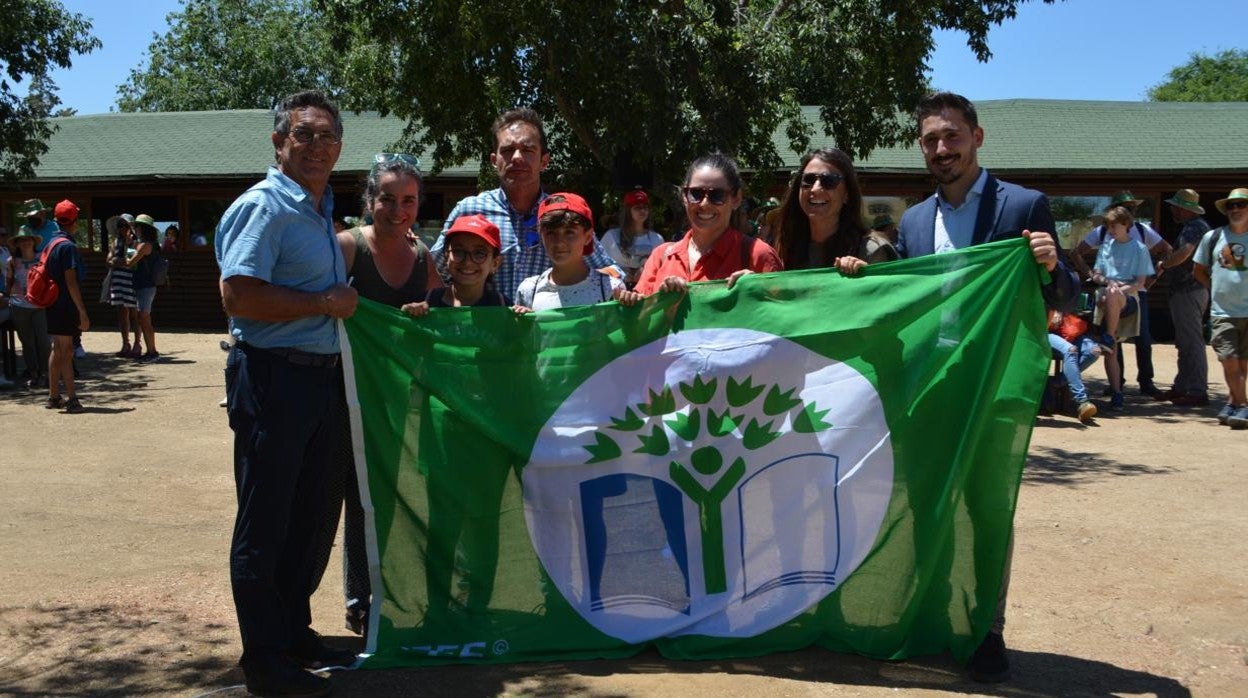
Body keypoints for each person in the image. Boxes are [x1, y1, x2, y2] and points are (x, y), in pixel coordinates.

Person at [895, 92, 1079, 683]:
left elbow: (1066, 299)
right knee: (928, 503)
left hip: (994, 384)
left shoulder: (1024, 205)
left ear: (977, 137)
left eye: (951, 136)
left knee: (987, 508)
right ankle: (937, 618)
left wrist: (1054, 265)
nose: (941, 149)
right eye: (930, 140)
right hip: (933, 383)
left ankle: (985, 632)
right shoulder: (914, 220)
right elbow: (904, 302)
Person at [215, 89, 359, 697]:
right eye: (304, 134)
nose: (317, 145)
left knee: (310, 515)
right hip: (274, 377)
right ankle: (263, 656)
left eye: (327, 135)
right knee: (267, 518)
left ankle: (293, 629)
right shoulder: (266, 207)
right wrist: (323, 303)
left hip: (317, 380)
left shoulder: (317, 208)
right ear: (279, 143)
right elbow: (238, 296)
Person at [325, 152, 442, 635]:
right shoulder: (347, 247)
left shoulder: (423, 256)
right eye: (388, 199)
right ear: (370, 200)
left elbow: (444, 314)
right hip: (344, 397)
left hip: (402, 402)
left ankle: (392, 587)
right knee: (352, 497)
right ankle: (358, 596)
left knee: (393, 496)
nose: (398, 210)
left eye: (409, 201)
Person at [431, 107, 620, 302]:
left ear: (544, 161)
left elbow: (612, 271)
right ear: (494, 161)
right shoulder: (469, 211)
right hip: (485, 329)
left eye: (528, 150)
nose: (517, 157)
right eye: (507, 150)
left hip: (543, 330)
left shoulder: (561, 215)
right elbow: (433, 270)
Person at [633, 153, 783, 295]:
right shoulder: (662, 256)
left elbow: (781, 315)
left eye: (717, 195)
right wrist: (655, 300)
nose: (704, 203)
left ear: (736, 199)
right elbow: (639, 318)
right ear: (684, 197)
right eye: (695, 194)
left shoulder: (758, 255)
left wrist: (756, 291)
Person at [1069, 191, 1172, 398]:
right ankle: (1118, 383)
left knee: (1143, 338)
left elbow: (1166, 250)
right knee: (1114, 337)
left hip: (1135, 293)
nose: (1129, 209)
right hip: (1110, 289)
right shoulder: (1102, 233)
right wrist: (1091, 275)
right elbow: (1076, 252)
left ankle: (1146, 381)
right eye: (1125, 206)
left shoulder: (1143, 232)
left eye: (1132, 207)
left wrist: (1154, 277)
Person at [772, 148, 897, 274]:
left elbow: (888, 291)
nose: (815, 189)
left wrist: (868, 275)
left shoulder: (872, 250)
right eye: (808, 180)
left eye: (829, 181)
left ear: (847, 193)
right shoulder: (784, 245)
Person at [515, 192, 637, 311]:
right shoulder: (529, 290)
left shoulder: (609, 288)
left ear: (588, 237)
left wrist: (634, 310)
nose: (559, 242)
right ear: (540, 236)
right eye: (550, 233)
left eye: (569, 233)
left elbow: (621, 330)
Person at [1194, 187, 1248, 430]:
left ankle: (1231, 404)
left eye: (1240, 204)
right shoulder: (1213, 237)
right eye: (1231, 206)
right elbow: (1198, 270)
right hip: (1222, 312)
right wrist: (1216, 288)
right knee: (1229, 360)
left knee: (1243, 363)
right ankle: (1244, 405)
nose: (1235, 209)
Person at [1090, 206, 1154, 411]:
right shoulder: (1105, 247)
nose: (1110, 230)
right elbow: (1096, 275)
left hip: (1128, 298)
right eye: (1108, 226)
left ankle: (1107, 335)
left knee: (1113, 294)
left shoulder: (1139, 248)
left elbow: (1140, 282)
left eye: (1114, 225)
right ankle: (1117, 392)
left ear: (1126, 224)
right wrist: (1107, 281)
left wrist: (1119, 289)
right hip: (1107, 296)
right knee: (1112, 350)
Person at [1156, 189, 1213, 406]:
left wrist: (1164, 264)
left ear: (1184, 209)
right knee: (1184, 341)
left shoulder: (1194, 228)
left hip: (1189, 291)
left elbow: (1185, 252)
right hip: (1186, 291)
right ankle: (1182, 386)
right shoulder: (1195, 227)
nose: (1172, 210)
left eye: (1175, 206)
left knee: (1192, 342)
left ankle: (1198, 390)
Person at [403, 214, 508, 313]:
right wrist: (408, 317)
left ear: (495, 263)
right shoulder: (425, 304)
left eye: (479, 253)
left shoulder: (504, 308)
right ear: (446, 256)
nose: (467, 262)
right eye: (458, 251)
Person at [42, 200, 90, 413]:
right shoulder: (67, 246)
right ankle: (72, 399)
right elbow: (71, 282)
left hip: (52, 304)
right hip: (64, 305)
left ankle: (54, 396)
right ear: (74, 222)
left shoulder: (51, 243)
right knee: (67, 350)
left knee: (57, 349)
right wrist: (82, 311)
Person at [5, 226, 52, 389]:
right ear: (17, 244)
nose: (25, 242)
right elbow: (8, 284)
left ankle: (47, 374)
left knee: (44, 341)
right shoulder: (11, 262)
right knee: (27, 342)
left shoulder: (42, 258)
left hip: (39, 305)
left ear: (34, 241)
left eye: (28, 239)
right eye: (22, 240)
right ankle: (33, 374)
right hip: (19, 306)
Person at [600, 189, 664, 288]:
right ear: (628, 211)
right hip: (618, 291)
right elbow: (599, 265)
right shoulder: (611, 236)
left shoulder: (657, 239)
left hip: (647, 292)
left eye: (645, 207)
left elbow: (663, 268)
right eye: (637, 208)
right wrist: (621, 273)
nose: (642, 211)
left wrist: (646, 270)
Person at [1048, 309, 1101, 423]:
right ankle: (1082, 401)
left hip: (1069, 329)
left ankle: (1055, 383)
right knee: (1071, 350)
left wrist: (1060, 309)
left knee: (1094, 351)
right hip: (1046, 331)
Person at [105, 215, 141, 358]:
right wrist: (120, 261)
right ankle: (125, 343)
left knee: (135, 313)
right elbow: (108, 261)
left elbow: (130, 262)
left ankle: (137, 344)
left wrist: (117, 261)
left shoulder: (136, 242)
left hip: (132, 281)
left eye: (125, 225)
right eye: (120, 226)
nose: (122, 229)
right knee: (122, 313)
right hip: (118, 281)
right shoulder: (115, 242)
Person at [129, 214, 163, 363]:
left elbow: (130, 262)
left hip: (145, 286)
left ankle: (152, 352)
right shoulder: (148, 244)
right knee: (143, 319)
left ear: (142, 228)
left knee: (144, 318)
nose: (134, 229)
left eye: (136, 226)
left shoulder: (145, 245)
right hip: (143, 285)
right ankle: (151, 351)